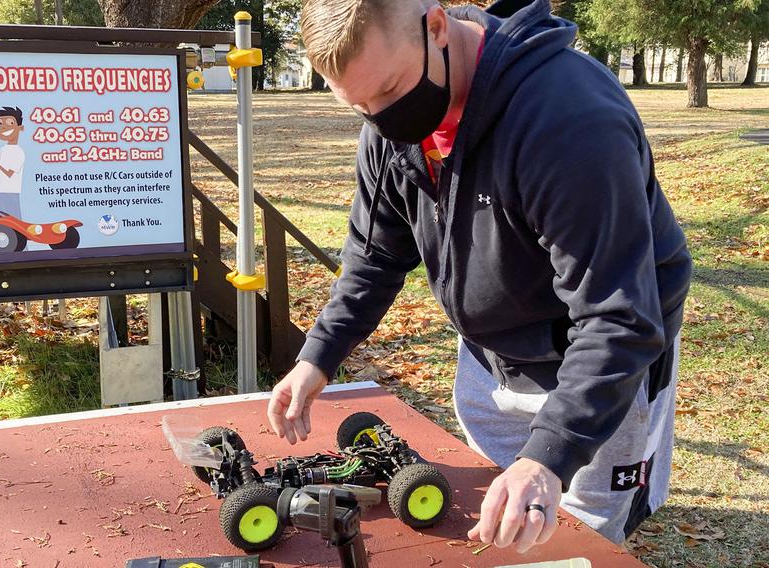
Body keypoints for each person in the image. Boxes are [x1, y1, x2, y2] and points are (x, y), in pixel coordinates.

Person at [266, 0, 692, 554]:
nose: (380, 119)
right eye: (360, 106)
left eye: (389, 92)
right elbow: (374, 256)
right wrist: (317, 357)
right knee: (495, 512)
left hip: (597, 361)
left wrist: (547, 458)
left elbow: (618, 316)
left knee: (580, 537)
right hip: (490, 354)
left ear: (437, 28)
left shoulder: (568, 120)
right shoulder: (391, 117)